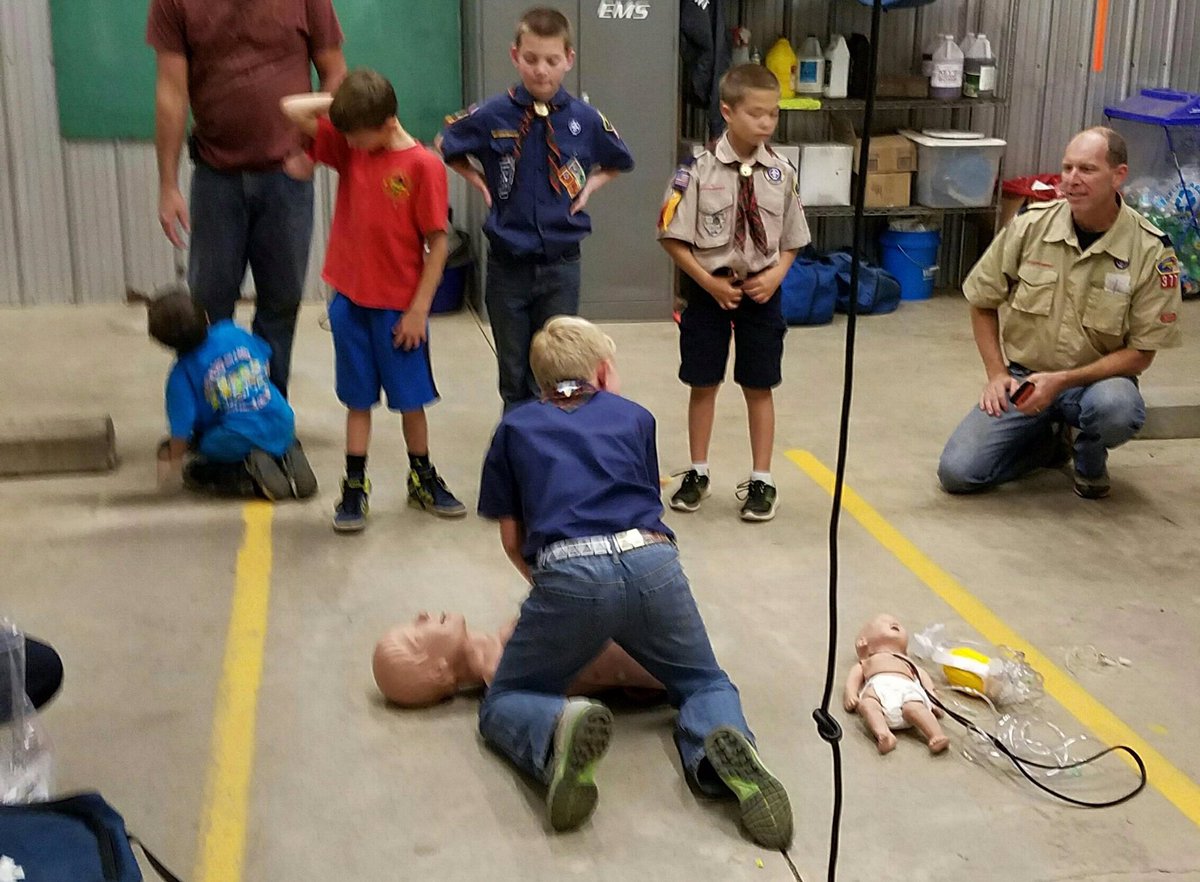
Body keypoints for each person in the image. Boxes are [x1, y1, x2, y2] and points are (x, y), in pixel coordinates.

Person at [476, 316, 792, 848]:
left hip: (571, 567)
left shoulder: (514, 429)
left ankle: (555, 728)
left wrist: (555, 591)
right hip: (651, 560)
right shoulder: (635, 417)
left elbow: (513, 539)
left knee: (505, 697)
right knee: (703, 681)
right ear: (602, 372)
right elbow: (646, 500)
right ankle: (721, 744)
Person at [938, 127, 1183, 499]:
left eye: (1087, 169)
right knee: (958, 474)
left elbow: (1141, 354)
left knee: (1117, 409)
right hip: (1025, 379)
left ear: (1118, 175)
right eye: (1067, 167)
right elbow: (982, 300)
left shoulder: (1150, 250)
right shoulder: (1030, 225)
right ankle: (1050, 445)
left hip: (1096, 384)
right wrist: (997, 374)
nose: (1072, 179)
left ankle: (1089, 452)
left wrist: (1062, 381)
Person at [281, 70, 466, 532]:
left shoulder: (423, 166)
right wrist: (341, 102)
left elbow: (439, 244)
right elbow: (291, 109)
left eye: (357, 135)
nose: (348, 144)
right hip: (350, 303)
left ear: (387, 123)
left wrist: (418, 311)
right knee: (357, 400)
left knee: (410, 401)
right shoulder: (352, 147)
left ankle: (422, 476)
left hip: (399, 310)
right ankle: (354, 484)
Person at [437, 7, 634, 410]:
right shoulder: (493, 114)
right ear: (515, 56)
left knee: (563, 369)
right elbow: (446, 142)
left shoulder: (584, 119)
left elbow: (619, 159)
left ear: (569, 60)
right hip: (508, 265)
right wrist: (475, 179)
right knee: (513, 371)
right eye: (531, 59)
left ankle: (556, 436)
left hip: (561, 265)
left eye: (551, 60)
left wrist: (591, 186)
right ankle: (519, 436)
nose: (541, 70)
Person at [147, 0, 347, 398]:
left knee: (280, 304)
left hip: (286, 180)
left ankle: (268, 409)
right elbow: (171, 91)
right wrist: (167, 184)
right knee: (208, 308)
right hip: (215, 178)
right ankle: (210, 413)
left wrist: (312, 153)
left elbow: (336, 74)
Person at [657, 63, 810, 522]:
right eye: (756, 114)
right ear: (727, 111)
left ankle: (762, 479)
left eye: (773, 114)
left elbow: (793, 238)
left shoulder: (781, 172)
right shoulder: (696, 171)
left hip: (762, 292)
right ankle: (698, 472)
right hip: (710, 290)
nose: (766, 123)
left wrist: (777, 275)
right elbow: (670, 236)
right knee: (703, 382)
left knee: (759, 385)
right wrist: (707, 282)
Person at [148, 289, 316, 501]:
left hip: (237, 433)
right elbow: (265, 358)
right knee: (267, 425)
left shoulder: (180, 376)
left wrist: (174, 464)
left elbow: (180, 432)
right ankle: (286, 451)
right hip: (281, 418)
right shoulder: (231, 331)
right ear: (206, 317)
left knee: (203, 450)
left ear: (164, 344)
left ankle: (245, 471)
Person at [371, 611, 664, 707]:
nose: (422, 616)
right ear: (439, 671)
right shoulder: (510, 666)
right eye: (416, 636)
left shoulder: (509, 646)